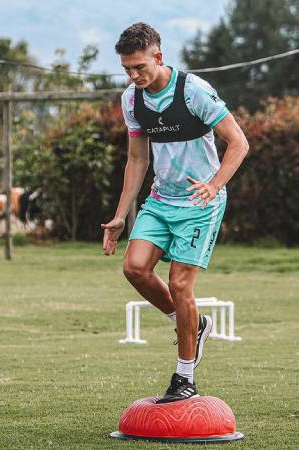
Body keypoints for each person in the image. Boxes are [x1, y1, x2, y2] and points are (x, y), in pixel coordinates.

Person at [101, 23, 249, 403]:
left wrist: (214, 185)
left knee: (181, 285)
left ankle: (185, 377)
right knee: (134, 268)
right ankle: (190, 324)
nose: (134, 76)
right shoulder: (131, 100)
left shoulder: (194, 91)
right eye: (127, 69)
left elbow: (238, 143)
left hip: (200, 204)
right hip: (161, 200)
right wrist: (121, 215)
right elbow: (137, 158)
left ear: (159, 58)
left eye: (140, 67)